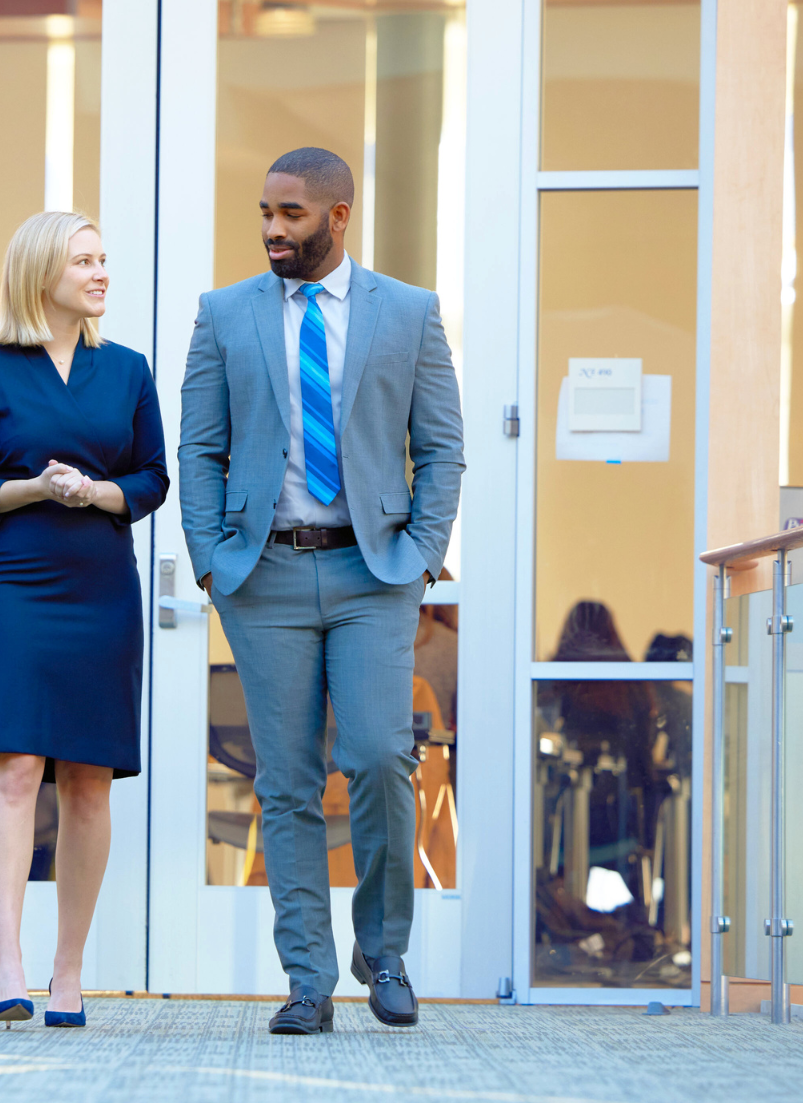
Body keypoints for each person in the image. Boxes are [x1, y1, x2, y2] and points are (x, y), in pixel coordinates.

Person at [179, 147, 464, 1035]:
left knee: (381, 756)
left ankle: (384, 950)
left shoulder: (409, 313)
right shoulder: (224, 314)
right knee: (287, 782)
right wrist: (211, 560)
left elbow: (443, 447)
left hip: (371, 571)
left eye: (291, 214)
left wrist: (420, 552)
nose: (272, 228)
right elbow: (198, 447)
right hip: (262, 576)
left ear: (338, 217)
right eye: (265, 211)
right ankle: (308, 976)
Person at [0, 210, 168, 1028]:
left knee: (89, 782)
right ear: (42, 276)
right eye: (85, 262)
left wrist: (99, 492)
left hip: (101, 587)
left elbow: (151, 479)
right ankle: (8, 962)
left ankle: (69, 972)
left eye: (105, 261)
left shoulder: (128, 370)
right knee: (16, 768)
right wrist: (33, 487)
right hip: (16, 584)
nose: (102, 274)